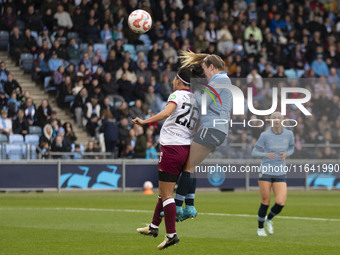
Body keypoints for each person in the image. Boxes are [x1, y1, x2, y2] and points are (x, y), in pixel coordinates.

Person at [134, 68, 199, 250]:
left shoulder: (176, 95)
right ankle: (154, 227)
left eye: (174, 79)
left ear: (178, 81)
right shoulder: (195, 99)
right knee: (164, 191)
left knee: (167, 194)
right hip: (186, 148)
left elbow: (165, 113)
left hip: (171, 148)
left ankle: (171, 234)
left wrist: (144, 122)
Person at [170, 51, 233, 222]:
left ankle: (176, 208)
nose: (204, 73)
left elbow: (203, 102)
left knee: (187, 166)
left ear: (212, 67)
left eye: (205, 69)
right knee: (192, 166)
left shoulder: (219, 80)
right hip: (216, 129)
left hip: (212, 128)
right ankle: (189, 206)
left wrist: (192, 94)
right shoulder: (223, 81)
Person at [251, 112, 295, 237]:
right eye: (273, 118)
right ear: (270, 121)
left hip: (280, 172)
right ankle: (260, 228)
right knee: (265, 201)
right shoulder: (265, 135)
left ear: (282, 120)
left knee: (280, 202)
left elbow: (292, 148)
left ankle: (269, 219)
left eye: (278, 118)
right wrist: (265, 154)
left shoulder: (289, 134)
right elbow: (254, 152)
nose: (276, 120)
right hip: (266, 171)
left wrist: (287, 154)